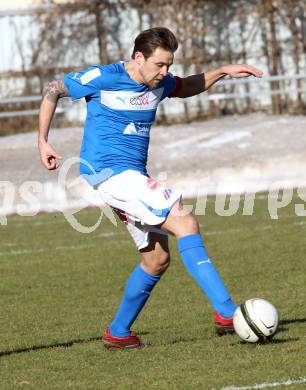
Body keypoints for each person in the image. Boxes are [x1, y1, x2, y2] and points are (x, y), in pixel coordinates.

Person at [38, 27, 263, 350]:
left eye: (169, 65)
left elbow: (187, 86)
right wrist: (43, 141)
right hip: (110, 173)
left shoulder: (159, 82)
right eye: (160, 65)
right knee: (185, 222)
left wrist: (223, 72)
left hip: (131, 176)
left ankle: (118, 333)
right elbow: (53, 89)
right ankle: (228, 313)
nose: (165, 72)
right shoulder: (105, 77)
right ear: (138, 57)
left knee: (156, 259)